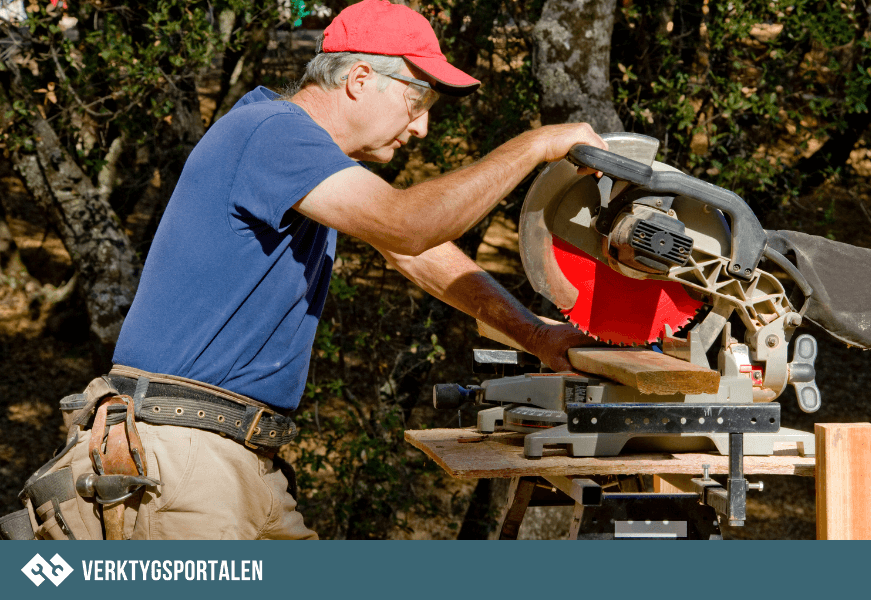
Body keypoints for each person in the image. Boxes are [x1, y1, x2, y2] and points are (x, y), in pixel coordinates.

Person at [0, 0, 606, 541]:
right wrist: (534, 146)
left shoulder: (294, 153)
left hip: (242, 459)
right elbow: (407, 226)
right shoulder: (273, 133)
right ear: (360, 79)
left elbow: (414, 251)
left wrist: (535, 334)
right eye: (417, 100)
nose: (422, 125)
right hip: (187, 463)